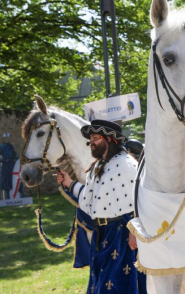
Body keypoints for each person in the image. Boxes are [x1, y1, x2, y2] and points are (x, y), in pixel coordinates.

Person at [57, 120, 146, 294]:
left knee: (118, 287)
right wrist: (69, 183)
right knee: (101, 284)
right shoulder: (98, 167)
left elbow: (139, 200)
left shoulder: (126, 164)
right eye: (91, 139)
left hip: (122, 236)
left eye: (96, 138)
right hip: (102, 237)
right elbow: (90, 199)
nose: (92, 143)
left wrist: (135, 232)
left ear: (110, 139)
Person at [0, 133, 21, 199]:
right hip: (6, 166)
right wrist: (4, 160)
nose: (7, 140)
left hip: (12, 165)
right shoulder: (1, 147)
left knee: (15, 178)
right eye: (6, 138)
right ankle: (7, 196)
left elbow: (15, 155)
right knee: (6, 180)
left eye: (8, 138)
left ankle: (20, 193)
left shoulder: (11, 147)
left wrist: (17, 158)